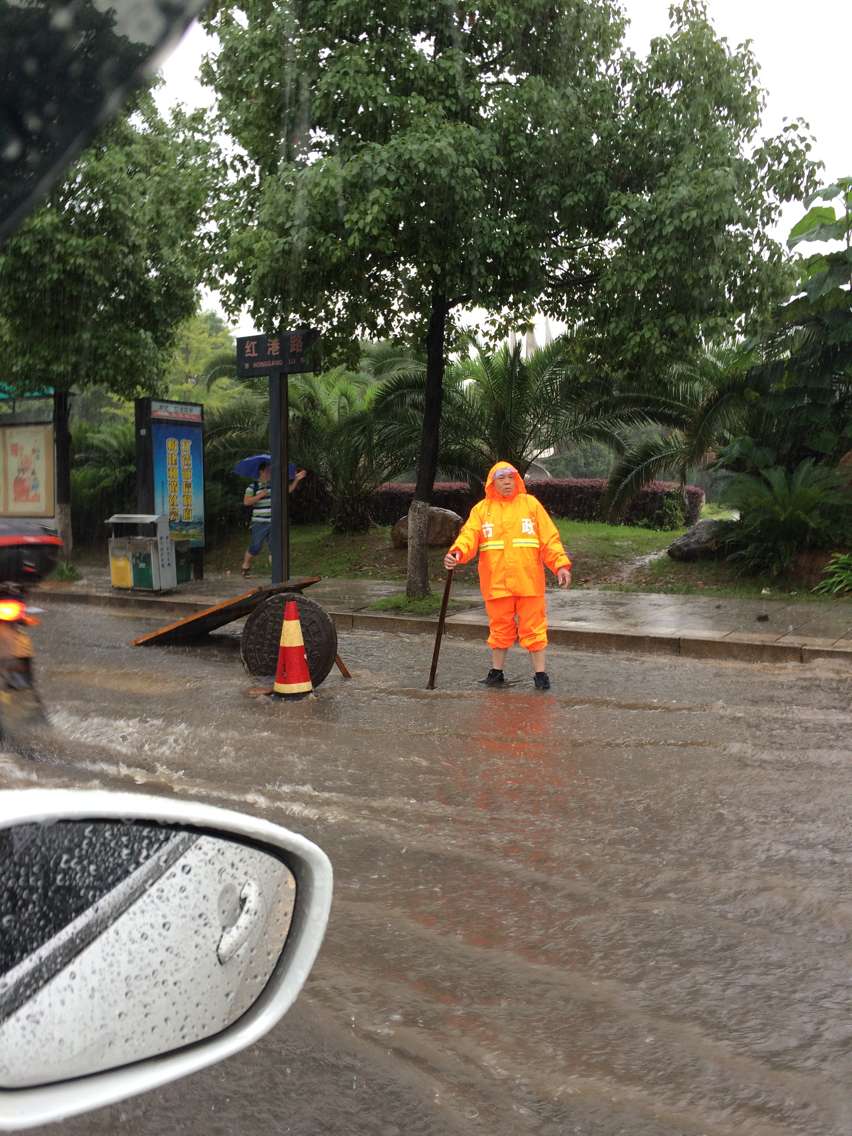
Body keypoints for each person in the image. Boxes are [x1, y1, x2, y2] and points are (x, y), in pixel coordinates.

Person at [443, 461, 572, 690]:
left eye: (511, 478)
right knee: (499, 628)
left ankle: (540, 675)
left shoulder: (530, 505)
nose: (507, 483)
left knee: (534, 629)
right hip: (496, 582)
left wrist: (560, 564)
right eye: (502, 479)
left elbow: (549, 539)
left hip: (528, 581)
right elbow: (468, 537)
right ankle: (496, 672)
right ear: (493, 483)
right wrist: (457, 552)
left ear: (517, 481)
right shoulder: (482, 510)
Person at [241, 461, 307, 576]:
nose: (270, 473)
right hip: (259, 522)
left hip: (274, 522)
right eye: (268, 471)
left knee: (274, 548)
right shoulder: (252, 487)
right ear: (261, 472)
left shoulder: (275, 485)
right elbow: (246, 502)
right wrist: (260, 495)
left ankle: (276, 573)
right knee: (255, 546)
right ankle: (245, 566)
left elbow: (288, 490)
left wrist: (296, 479)